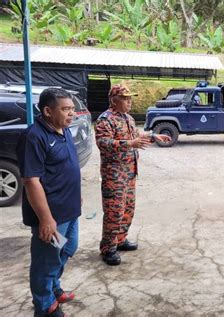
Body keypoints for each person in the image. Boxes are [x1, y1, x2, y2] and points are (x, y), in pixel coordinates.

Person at [16, 88, 81, 317]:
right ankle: (44, 305)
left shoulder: (64, 131)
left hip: (70, 209)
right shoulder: (34, 136)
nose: (72, 113)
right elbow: (31, 180)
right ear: (47, 110)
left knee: (68, 248)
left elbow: (65, 167)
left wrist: (76, 194)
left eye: (72, 108)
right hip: (51, 214)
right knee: (46, 260)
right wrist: (45, 219)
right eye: (65, 109)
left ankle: (53, 287)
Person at [95, 84, 170, 265]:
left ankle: (120, 240)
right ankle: (108, 248)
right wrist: (129, 144)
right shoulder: (105, 120)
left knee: (128, 209)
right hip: (114, 176)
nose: (129, 101)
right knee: (114, 212)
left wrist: (154, 137)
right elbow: (103, 142)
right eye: (125, 98)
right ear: (114, 100)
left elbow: (136, 135)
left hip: (129, 174)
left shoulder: (127, 117)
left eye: (130, 98)